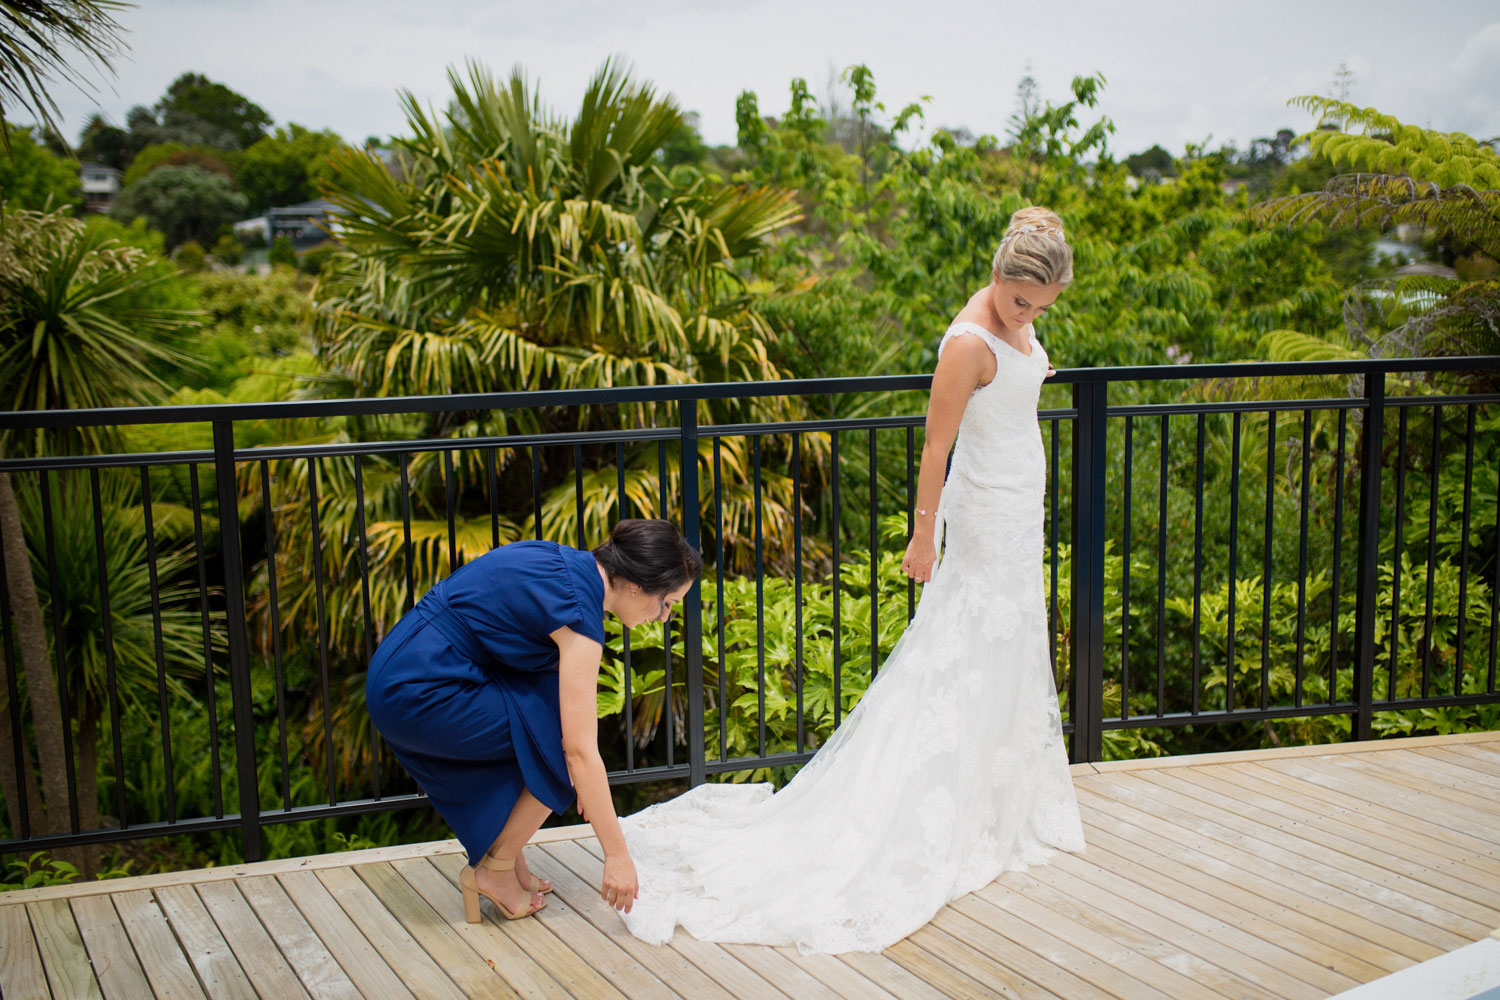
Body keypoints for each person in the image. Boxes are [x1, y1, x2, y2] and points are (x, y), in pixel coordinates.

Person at [617, 206, 1086, 954]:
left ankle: (992, 798)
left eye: (1040, 307)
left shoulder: (1016, 316)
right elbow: (935, 446)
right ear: (997, 276)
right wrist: (922, 535)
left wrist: (1032, 348)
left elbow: (1019, 369)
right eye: (1020, 301)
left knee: (1010, 641)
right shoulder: (967, 343)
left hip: (1018, 500)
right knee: (961, 647)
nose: (1027, 314)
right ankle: (931, 804)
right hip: (979, 507)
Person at [366, 519, 700, 922]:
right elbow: (578, 751)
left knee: (550, 730)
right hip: (420, 690)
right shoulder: (579, 619)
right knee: (556, 745)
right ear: (635, 585)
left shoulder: (562, 562)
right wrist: (616, 856)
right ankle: (494, 870)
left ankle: (507, 858)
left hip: (404, 665)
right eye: (667, 603)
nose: (663, 617)